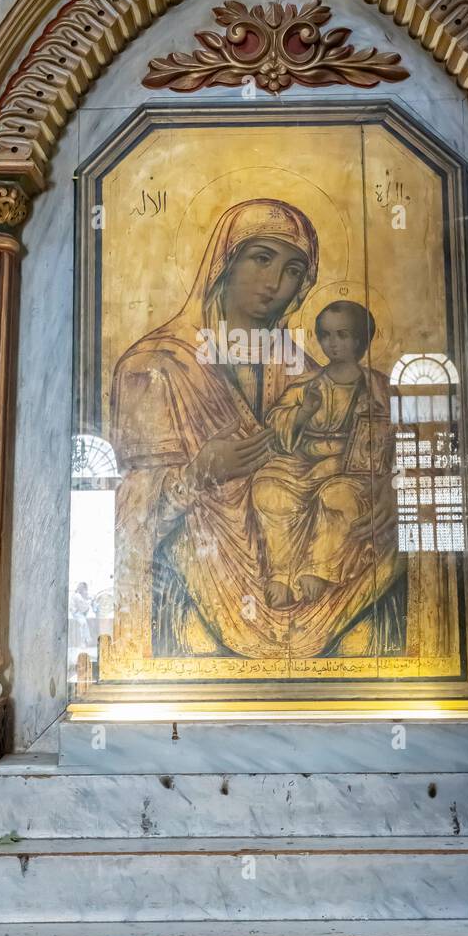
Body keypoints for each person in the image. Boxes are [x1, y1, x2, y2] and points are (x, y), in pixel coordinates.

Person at [109, 198, 404, 661]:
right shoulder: (156, 366)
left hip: (314, 549)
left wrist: (386, 486)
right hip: (205, 580)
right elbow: (128, 514)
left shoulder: (305, 370)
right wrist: (198, 474)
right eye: (261, 258)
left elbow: (373, 447)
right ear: (225, 261)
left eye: (292, 271)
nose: (274, 283)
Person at [252, 301, 391, 607]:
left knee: (338, 497)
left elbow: (399, 437)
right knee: (268, 486)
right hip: (303, 464)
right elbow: (276, 423)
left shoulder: (379, 388)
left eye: (342, 335)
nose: (333, 343)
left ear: (360, 339)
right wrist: (304, 413)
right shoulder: (307, 385)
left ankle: (319, 568)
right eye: (326, 335)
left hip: (349, 468)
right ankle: (281, 573)